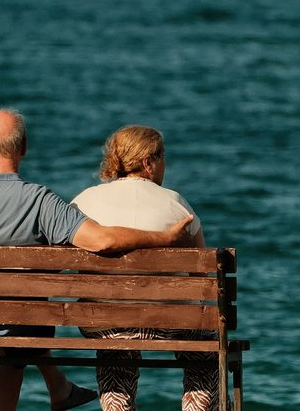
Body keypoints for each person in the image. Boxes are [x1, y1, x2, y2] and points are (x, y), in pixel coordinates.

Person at [0, 110, 194, 411]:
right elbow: (103, 240)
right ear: (24, 148)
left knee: (18, 323)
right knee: (24, 319)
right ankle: (59, 390)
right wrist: (164, 239)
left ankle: (60, 389)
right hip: (20, 319)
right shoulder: (40, 200)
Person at [71, 125, 218, 411]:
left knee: (114, 348)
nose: (165, 164)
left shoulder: (83, 202)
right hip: (170, 324)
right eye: (163, 157)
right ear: (149, 162)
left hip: (104, 324)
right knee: (205, 354)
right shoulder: (177, 206)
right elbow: (201, 275)